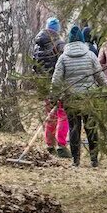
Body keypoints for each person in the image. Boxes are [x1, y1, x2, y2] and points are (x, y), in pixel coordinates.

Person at [52, 26, 107, 167]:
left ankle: (75, 160)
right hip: (89, 97)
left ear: (69, 41)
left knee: (74, 128)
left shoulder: (63, 58)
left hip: (71, 99)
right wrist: (106, 90)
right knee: (91, 128)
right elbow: (100, 76)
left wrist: (54, 95)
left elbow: (56, 79)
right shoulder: (90, 55)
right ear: (82, 40)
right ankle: (94, 159)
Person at [32, 17, 69, 157]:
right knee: (62, 113)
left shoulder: (37, 45)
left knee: (50, 114)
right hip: (58, 84)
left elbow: (35, 66)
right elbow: (64, 64)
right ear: (57, 29)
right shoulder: (59, 44)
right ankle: (61, 145)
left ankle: (49, 144)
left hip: (44, 84)